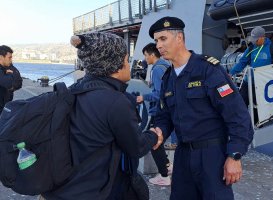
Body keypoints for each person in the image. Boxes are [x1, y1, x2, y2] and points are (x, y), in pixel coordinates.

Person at [41, 32, 163, 200]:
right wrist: (154, 136)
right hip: (99, 190)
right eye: (126, 60)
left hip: (66, 187)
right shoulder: (115, 102)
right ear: (114, 64)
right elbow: (137, 147)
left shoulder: (74, 90)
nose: (129, 65)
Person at [149, 16, 254, 199]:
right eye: (156, 40)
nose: (158, 45)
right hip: (182, 156)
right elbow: (164, 116)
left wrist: (235, 155)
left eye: (163, 39)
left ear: (179, 38)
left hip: (212, 156)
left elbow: (237, 115)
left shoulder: (207, 69)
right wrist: (158, 133)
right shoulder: (168, 77)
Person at [136, 43, 172, 186]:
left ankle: (164, 175)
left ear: (152, 55)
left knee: (154, 141)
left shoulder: (157, 69)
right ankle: (167, 167)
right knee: (159, 140)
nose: (145, 58)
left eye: (145, 55)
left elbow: (158, 94)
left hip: (159, 110)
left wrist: (143, 97)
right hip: (168, 109)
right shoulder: (166, 65)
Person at [229, 26, 273, 123]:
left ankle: (258, 124)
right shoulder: (251, 48)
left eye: (256, 39)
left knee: (258, 106)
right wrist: (231, 73)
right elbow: (242, 62)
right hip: (248, 82)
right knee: (241, 103)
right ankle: (241, 123)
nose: (254, 42)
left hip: (262, 84)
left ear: (262, 37)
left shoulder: (272, 48)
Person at [0, 45, 23, 113]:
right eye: (9, 58)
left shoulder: (11, 67)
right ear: (1, 57)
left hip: (6, 105)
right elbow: (7, 83)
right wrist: (10, 75)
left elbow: (19, 82)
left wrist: (12, 88)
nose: (11, 60)